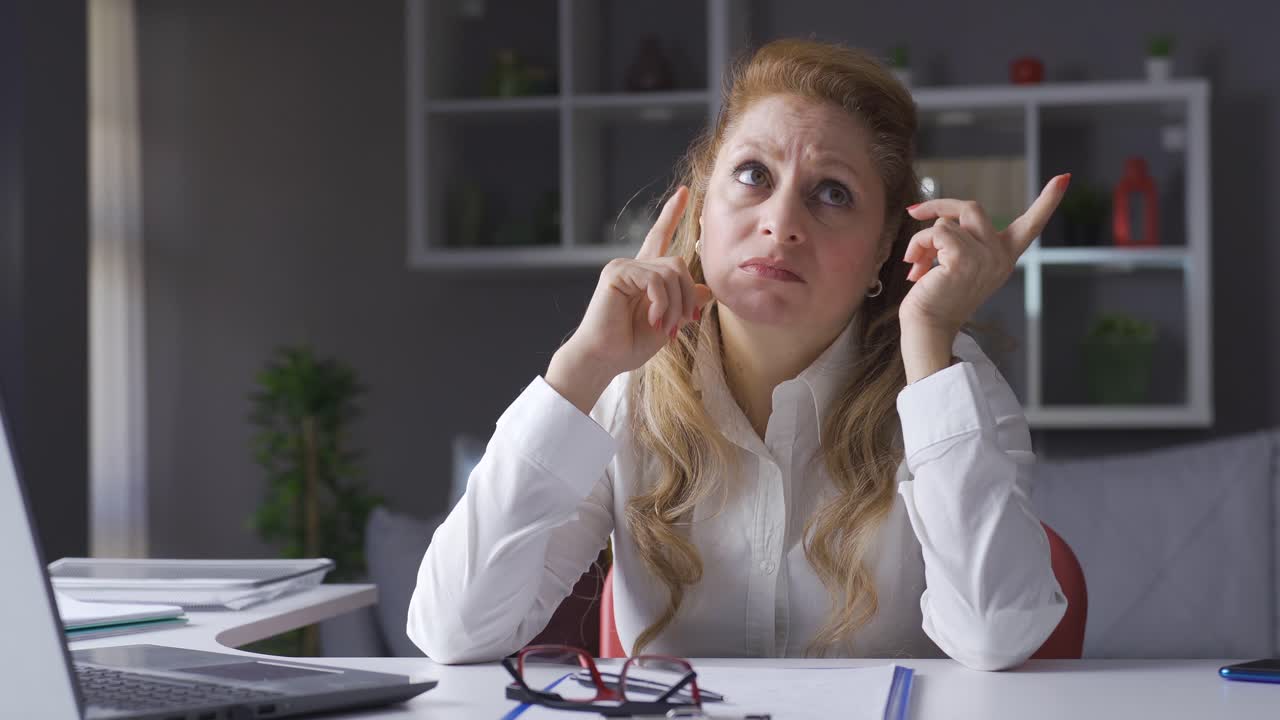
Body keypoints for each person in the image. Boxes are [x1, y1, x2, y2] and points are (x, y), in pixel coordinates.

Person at [408, 38, 1070, 671]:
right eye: (754, 175)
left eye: (832, 192)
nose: (781, 221)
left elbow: (998, 636)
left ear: (882, 250)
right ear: (701, 211)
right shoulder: (624, 385)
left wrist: (928, 339)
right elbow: (454, 631)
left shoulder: (950, 382)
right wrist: (580, 368)